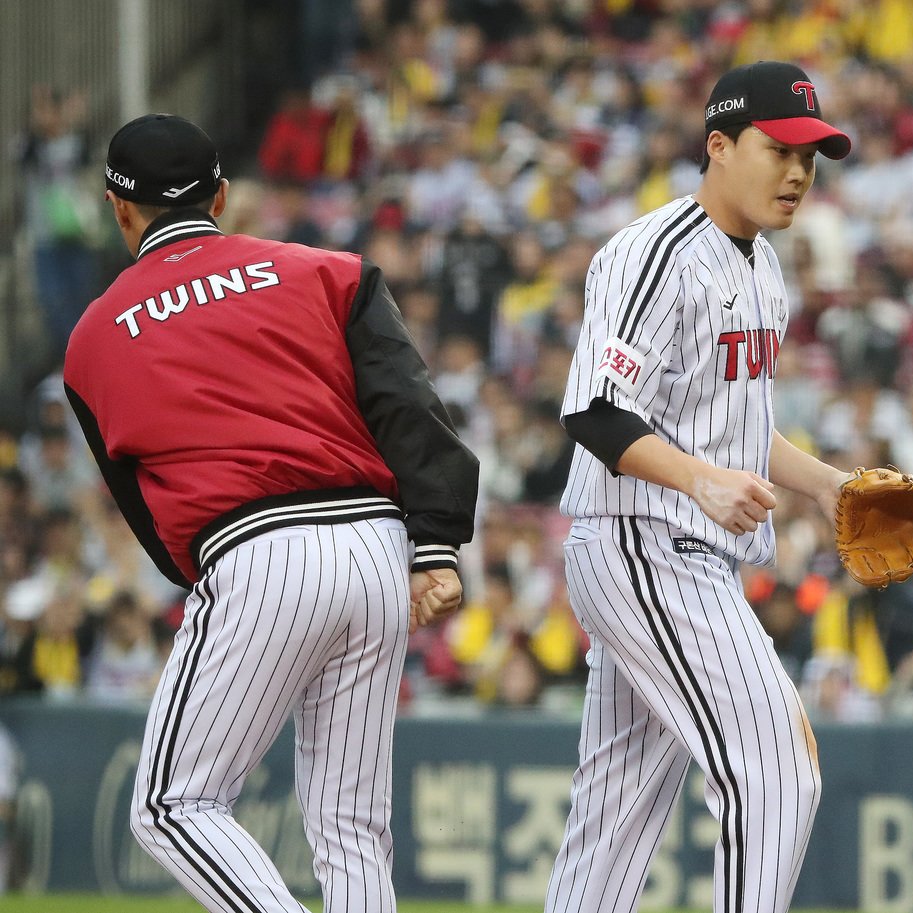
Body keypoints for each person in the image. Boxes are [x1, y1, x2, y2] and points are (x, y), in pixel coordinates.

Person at [63, 114, 479, 913]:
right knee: (352, 826)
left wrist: (228, 581)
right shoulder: (327, 270)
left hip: (254, 548)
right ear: (222, 194)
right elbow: (409, 408)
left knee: (171, 804)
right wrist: (434, 544)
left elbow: (146, 514)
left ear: (119, 210)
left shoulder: (90, 340)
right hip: (376, 548)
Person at [545, 61, 853, 913]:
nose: (798, 172)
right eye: (779, 149)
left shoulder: (763, 269)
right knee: (778, 772)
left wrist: (829, 485)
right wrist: (700, 482)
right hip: (645, 541)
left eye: (811, 157)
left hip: (682, 551)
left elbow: (738, 428)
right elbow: (598, 413)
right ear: (718, 146)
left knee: (615, 816)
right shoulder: (654, 252)